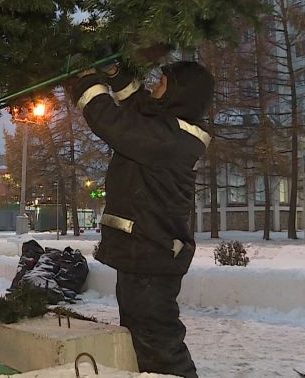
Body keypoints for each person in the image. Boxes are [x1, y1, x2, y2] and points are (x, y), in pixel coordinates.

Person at [71, 60, 214, 378]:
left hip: (151, 257)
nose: (154, 88)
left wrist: (86, 82)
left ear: (179, 93)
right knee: (144, 342)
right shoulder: (168, 129)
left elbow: (114, 124)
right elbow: (142, 106)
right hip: (146, 254)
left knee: (159, 348)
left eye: (162, 83)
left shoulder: (167, 139)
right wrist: (115, 74)